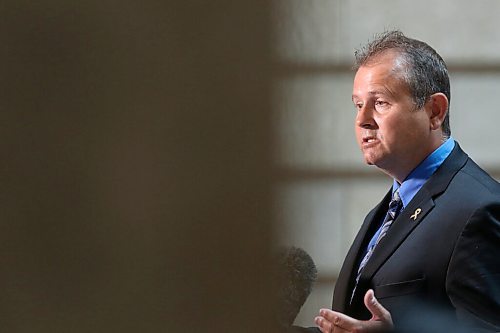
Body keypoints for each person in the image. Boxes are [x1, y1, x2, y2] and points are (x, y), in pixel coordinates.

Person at [308, 30, 500, 332]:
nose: (362, 120)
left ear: (434, 111)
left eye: (380, 102)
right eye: (358, 105)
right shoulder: (387, 210)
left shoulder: (479, 209)